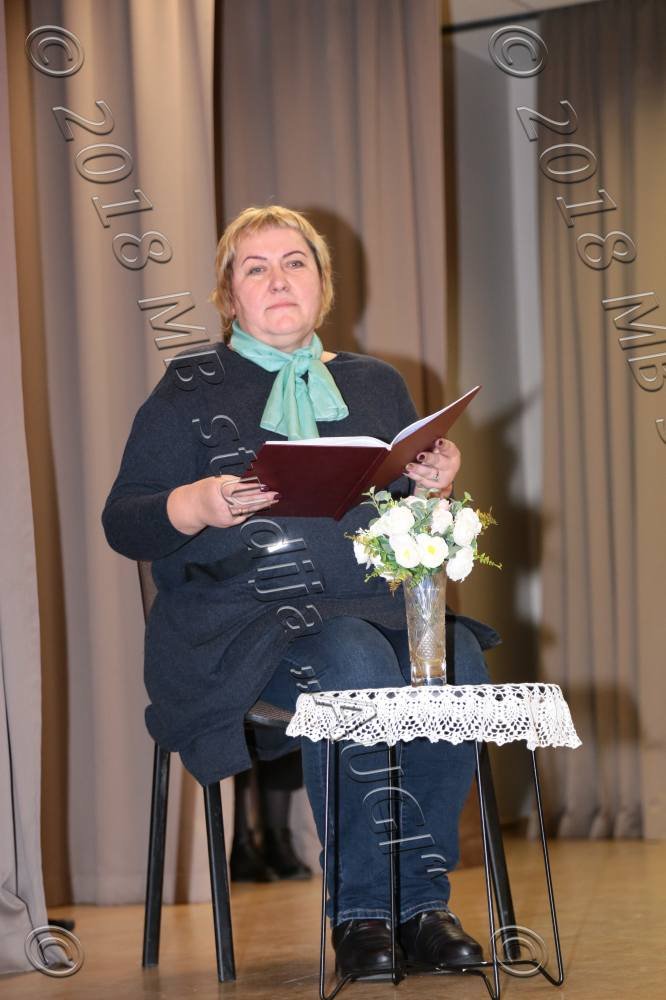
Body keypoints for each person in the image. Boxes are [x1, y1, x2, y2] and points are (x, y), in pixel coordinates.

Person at [102, 205, 500, 979]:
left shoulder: (376, 383)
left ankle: (419, 906)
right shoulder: (189, 388)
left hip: (375, 609)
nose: (278, 279)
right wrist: (198, 502)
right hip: (237, 629)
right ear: (230, 296)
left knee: (457, 658)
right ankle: (360, 913)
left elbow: (408, 519)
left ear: (322, 286)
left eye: (295, 263)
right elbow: (125, 522)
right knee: (350, 656)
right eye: (256, 268)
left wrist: (436, 486)